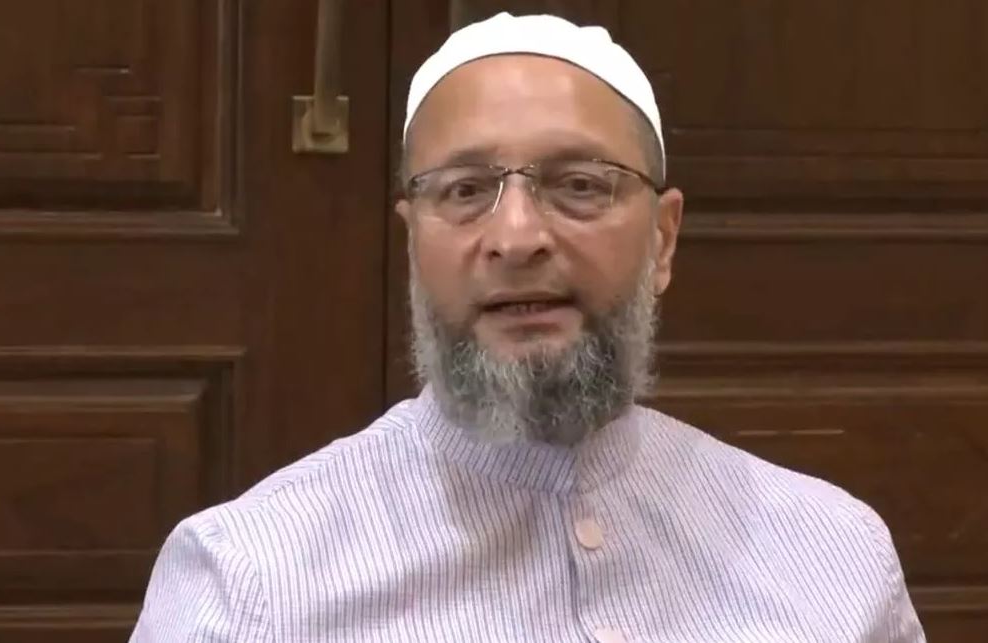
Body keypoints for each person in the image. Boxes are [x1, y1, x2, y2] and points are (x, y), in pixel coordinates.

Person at [131, 13, 925, 642]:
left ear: (662, 240)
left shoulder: (833, 556)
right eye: (463, 189)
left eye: (579, 184)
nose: (515, 237)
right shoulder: (248, 584)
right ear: (412, 243)